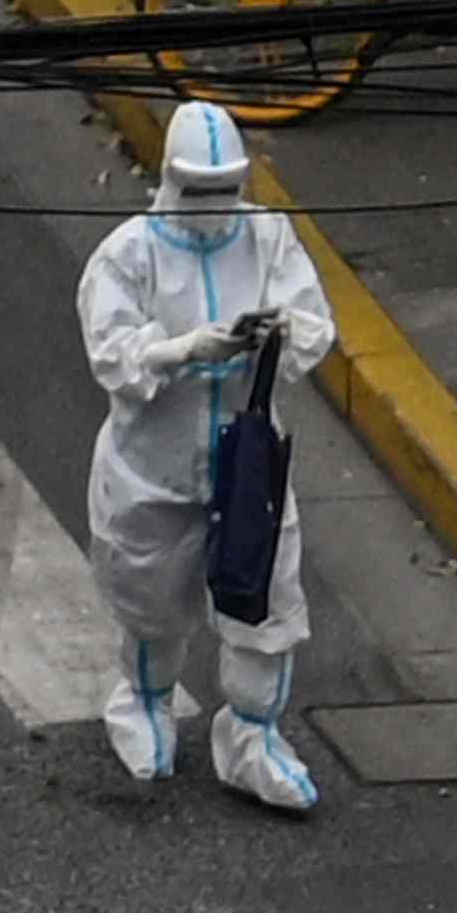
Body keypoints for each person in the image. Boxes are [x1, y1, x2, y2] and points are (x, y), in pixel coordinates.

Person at [76, 102, 335, 814]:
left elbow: (314, 325)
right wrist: (184, 350)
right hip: (151, 463)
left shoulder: (265, 236)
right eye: (200, 187)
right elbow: (114, 356)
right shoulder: (129, 253)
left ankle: (252, 738)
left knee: (266, 603)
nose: (214, 204)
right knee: (152, 602)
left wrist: (278, 328)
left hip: (245, 458)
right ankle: (145, 701)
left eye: (226, 187)